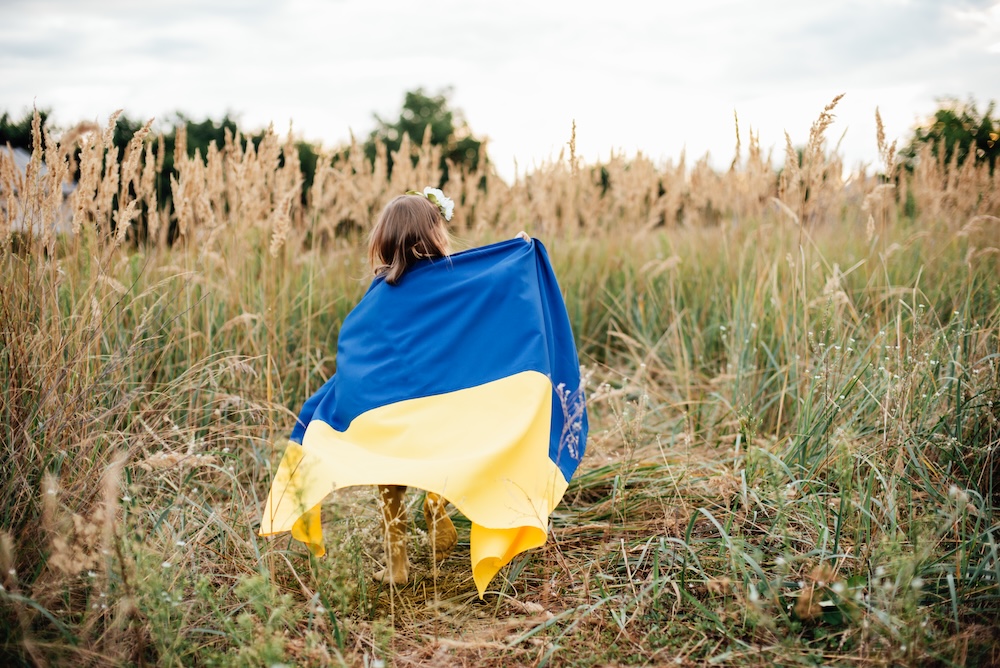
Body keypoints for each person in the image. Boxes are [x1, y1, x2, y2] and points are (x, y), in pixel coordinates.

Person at [365, 190, 530, 585]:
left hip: (396, 409)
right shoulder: (455, 280)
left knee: (390, 482)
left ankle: (398, 566)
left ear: (385, 239)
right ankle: (437, 501)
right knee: (448, 457)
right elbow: (495, 285)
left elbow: (365, 345)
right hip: (444, 404)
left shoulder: (379, 290)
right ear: (435, 234)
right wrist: (518, 251)